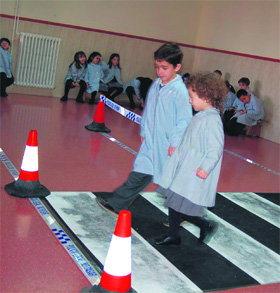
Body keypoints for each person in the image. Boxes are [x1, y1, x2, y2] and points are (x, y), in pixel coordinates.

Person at [95, 42, 193, 215]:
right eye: (157, 67)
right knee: (141, 172)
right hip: (150, 140)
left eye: (164, 68)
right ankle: (118, 203)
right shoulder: (156, 84)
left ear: (177, 67)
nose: (159, 72)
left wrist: (175, 143)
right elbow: (148, 110)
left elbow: (185, 120)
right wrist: (143, 131)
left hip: (168, 145)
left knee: (169, 182)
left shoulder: (179, 91)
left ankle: (189, 215)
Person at [155, 72, 226, 246]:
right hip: (185, 166)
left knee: (184, 207)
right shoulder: (202, 115)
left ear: (206, 97)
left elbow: (215, 148)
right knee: (173, 201)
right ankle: (174, 235)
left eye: (192, 97)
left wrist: (205, 167)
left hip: (194, 171)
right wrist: (177, 147)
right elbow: (190, 138)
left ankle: (205, 225)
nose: (189, 100)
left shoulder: (213, 120)